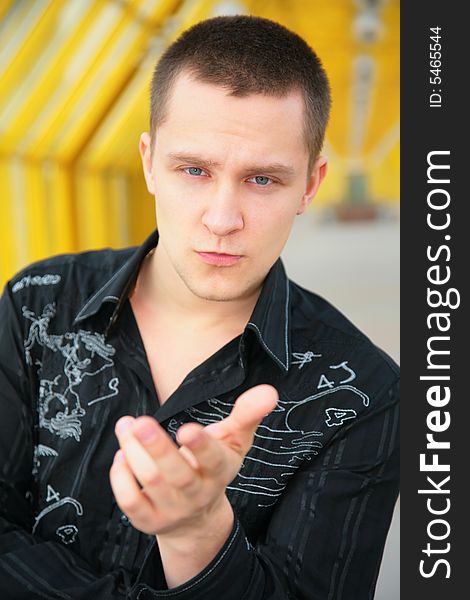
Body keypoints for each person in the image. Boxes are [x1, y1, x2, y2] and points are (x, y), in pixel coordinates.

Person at [0, 15, 399, 600]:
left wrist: (197, 532)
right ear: (148, 162)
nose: (221, 219)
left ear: (310, 187)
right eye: (194, 170)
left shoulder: (364, 394)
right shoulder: (37, 304)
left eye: (262, 179)